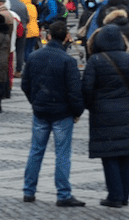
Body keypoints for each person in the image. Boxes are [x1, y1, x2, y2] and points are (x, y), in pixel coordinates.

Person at [21, 21, 87, 207]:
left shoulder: (34, 56)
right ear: (66, 37)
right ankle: (63, 194)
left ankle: (28, 190)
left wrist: (35, 101)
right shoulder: (68, 61)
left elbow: (25, 84)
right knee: (62, 154)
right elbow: (74, 91)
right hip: (62, 113)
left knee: (36, 151)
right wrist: (77, 112)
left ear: (48, 36)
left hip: (41, 110)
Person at [83, 25, 129, 208]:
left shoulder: (95, 60)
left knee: (109, 155)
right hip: (125, 112)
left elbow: (87, 88)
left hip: (102, 113)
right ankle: (124, 196)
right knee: (126, 155)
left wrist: (91, 104)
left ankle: (114, 196)